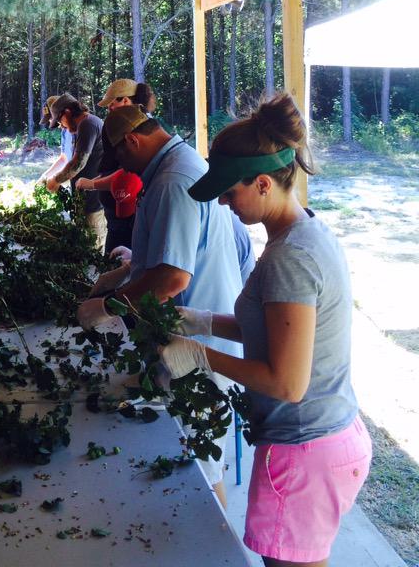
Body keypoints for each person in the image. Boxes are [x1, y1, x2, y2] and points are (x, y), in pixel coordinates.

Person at [161, 93, 371, 567]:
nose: (221, 201)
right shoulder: (303, 233)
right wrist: (203, 321)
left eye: (228, 192)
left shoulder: (288, 259)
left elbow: (286, 383)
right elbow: (277, 332)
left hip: (304, 450)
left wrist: (201, 354)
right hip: (330, 435)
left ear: (261, 184)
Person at [76, 103, 243, 506]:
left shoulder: (172, 180)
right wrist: (131, 268)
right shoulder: (175, 164)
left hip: (199, 351)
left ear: (133, 140)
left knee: (199, 468)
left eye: (123, 156)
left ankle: (217, 551)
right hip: (184, 340)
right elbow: (172, 255)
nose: (125, 168)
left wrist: (110, 307)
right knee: (185, 457)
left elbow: (172, 278)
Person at [45, 92, 107, 249]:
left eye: (60, 121)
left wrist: (56, 180)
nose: (62, 126)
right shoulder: (83, 126)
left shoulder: (88, 124)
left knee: (93, 252)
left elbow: (78, 163)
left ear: (67, 113)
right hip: (84, 200)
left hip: (94, 202)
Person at [75, 162, 142, 253]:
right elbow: (111, 171)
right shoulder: (118, 156)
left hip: (126, 223)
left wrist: (92, 184)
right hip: (114, 217)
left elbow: (125, 175)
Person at [36, 95, 74, 183]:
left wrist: (56, 180)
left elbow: (78, 163)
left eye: (51, 117)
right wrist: (44, 177)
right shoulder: (64, 132)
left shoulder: (79, 130)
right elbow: (63, 159)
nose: (50, 121)